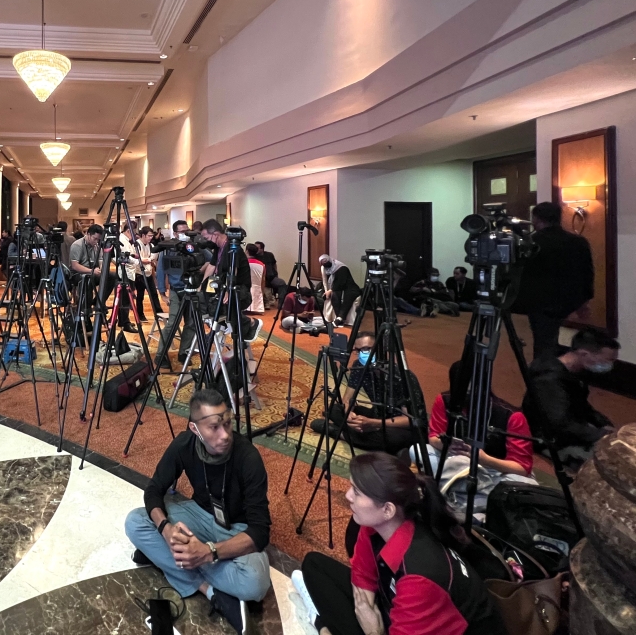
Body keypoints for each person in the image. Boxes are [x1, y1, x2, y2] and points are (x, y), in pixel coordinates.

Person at [295, 452, 506, 635]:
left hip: (432, 620)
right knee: (314, 565)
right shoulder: (376, 524)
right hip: (402, 611)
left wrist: (373, 630)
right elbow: (362, 576)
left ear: (387, 509)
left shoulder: (420, 575)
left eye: (357, 492)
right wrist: (365, 607)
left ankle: (322, 626)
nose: (348, 496)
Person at [125, 389, 272, 634]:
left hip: (236, 529)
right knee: (135, 522)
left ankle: (167, 558)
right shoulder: (184, 444)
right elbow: (153, 491)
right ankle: (210, 590)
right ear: (195, 429)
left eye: (227, 423)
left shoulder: (248, 457)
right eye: (214, 427)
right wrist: (165, 530)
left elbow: (260, 531)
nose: (225, 435)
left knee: (255, 584)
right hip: (198, 514)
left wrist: (207, 552)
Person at [415, 361, 536, 518]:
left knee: (526, 485)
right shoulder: (445, 400)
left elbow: (522, 468)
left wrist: (484, 459)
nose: (465, 393)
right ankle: (485, 500)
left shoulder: (512, 416)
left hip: (497, 470)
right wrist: (447, 444)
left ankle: (468, 497)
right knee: (418, 450)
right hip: (458, 462)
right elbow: (433, 438)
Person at [309, 332, 418, 454]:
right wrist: (348, 412)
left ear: (379, 348)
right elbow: (347, 400)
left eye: (367, 348)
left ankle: (337, 432)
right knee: (333, 410)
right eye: (358, 350)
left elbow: (409, 420)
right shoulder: (359, 366)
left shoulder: (401, 376)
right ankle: (363, 434)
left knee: (394, 439)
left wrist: (373, 424)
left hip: (399, 426)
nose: (363, 353)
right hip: (377, 415)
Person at [523, 328, 616, 468]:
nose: (610, 364)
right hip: (549, 438)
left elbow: (582, 406)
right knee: (612, 463)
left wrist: (602, 423)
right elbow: (559, 425)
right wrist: (599, 435)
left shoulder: (574, 372)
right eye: (608, 360)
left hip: (572, 427)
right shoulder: (548, 380)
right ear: (584, 354)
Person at [512, 202, 595, 359]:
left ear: (536, 219)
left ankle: (543, 376)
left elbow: (520, 273)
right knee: (553, 340)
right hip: (570, 300)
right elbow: (587, 273)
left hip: (539, 302)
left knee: (543, 343)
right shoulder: (579, 242)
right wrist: (584, 302)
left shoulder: (531, 243)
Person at [155, 220, 196, 369]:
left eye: (187, 230)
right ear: (175, 233)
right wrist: (162, 293)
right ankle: (161, 354)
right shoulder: (168, 248)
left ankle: (184, 352)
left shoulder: (193, 246)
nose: (185, 234)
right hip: (175, 290)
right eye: (182, 231)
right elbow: (160, 271)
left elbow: (208, 260)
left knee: (191, 323)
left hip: (192, 290)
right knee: (172, 324)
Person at [318, 253, 361, 326]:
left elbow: (341, 283)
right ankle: (339, 318)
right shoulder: (323, 268)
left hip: (349, 287)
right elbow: (325, 281)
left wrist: (330, 290)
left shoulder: (341, 268)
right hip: (335, 288)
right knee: (334, 295)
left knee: (347, 296)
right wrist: (326, 291)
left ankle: (340, 318)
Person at [245, 243, 266, 314]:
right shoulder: (262, 264)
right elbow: (263, 280)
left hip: (245, 289)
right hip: (257, 289)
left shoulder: (243, 263)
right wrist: (262, 291)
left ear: (247, 251)